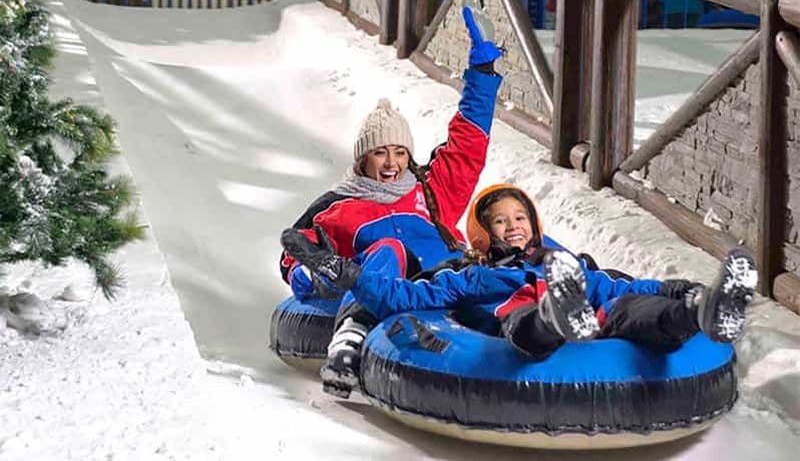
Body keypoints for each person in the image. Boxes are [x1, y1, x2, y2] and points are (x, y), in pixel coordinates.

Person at [281, 184, 758, 398]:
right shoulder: (468, 275)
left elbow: (620, 283)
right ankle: (558, 315)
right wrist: (345, 273)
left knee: (630, 305)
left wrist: (681, 291)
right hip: (521, 320)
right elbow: (403, 299)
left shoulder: (558, 262)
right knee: (525, 316)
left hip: (595, 309)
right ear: (483, 235)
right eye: (501, 222)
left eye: (520, 219)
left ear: (535, 226)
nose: (513, 227)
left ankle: (704, 314)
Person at [280, 1, 505, 302]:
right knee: (389, 249)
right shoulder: (336, 209)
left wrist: (482, 71)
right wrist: (304, 273)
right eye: (380, 153)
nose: (391, 163)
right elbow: (296, 253)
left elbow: (468, 144)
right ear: (363, 159)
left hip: (449, 286)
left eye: (400, 152)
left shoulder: (431, 191)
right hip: (388, 298)